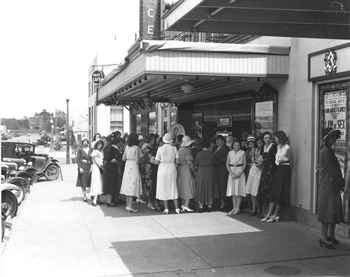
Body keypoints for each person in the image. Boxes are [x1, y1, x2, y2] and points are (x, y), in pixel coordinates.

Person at [318, 129, 344, 249]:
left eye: (335, 138)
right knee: (327, 211)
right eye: (332, 138)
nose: (335, 140)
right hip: (328, 185)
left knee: (332, 211)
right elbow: (332, 170)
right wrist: (341, 182)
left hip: (332, 185)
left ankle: (331, 235)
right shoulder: (326, 152)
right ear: (327, 139)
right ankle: (323, 237)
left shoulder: (329, 151)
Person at [262, 131, 292, 223]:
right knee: (274, 191)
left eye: (276, 137)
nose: (275, 139)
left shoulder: (287, 147)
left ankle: (275, 214)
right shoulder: (278, 147)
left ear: (280, 137)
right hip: (278, 169)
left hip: (285, 168)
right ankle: (269, 214)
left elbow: (291, 160)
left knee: (280, 192)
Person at [154, 133, 180, 214]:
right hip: (172, 168)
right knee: (173, 187)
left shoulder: (160, 149)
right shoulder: (174, 148)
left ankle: (166, 209)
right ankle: (177, 208)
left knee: (164, 187)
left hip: (162, 168)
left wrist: (151, 160)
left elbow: (156, 162)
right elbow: (177, 161)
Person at [120, 134, 143, 212]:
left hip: (127, 165)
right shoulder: (137, 148)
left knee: (127, 184)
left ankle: (128, 205)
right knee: (132, 184)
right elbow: (138, 160)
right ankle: (129, 206)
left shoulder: (126, 147)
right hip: (134, 166)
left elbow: (123, 158)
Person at [258, 132, 277, 219]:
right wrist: (259, 163)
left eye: (269, 137)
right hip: (264, 170)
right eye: (265, 138)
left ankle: (270, 212)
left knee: (270, 191)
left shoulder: (273, 146)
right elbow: (261, 158)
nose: (267, 139)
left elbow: (275, 159)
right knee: (263, 191)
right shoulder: (263, 147)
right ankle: (264, 211)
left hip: (271, 170)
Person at [226, 141, 246, 215]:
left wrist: (239, 173)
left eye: (238, 145)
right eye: (235, 145)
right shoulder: (230, 152)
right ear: (232, 145)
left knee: (239, 190)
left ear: (240, 146)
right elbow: (227, 164)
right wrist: (231, 173)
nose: (236, 146)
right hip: (232, 172)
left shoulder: (242, 152)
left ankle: (238, 208)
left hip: (239, 171)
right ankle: (234, 207)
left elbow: (244, 164)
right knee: (233, 191)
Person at [102, 135, 123, 206]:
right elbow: (115, 159)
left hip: (109, 168)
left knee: (110, 184)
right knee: (112, 184)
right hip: (112, 168)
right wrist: (115, 160)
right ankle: (110, 201)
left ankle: (111, 200)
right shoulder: (113, 148)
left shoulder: (107, 148)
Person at [246, 137, 264, 215]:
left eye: (261, 142)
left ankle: (260, 210)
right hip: (253, 169)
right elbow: (252, 159)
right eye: (258, 142)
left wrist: (259, 164)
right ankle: (254, 209)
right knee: (252, 190)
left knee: (257, 190)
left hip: (260, 170)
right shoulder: (254, 150)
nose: (259, 143)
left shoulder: (265, 150)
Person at [195, 140, 215, 211]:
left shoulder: (199, 154)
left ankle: (201, 205)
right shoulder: (211, 154)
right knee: (209, 187)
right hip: (209, 171)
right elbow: (214, 162)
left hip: (201, 171)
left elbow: (196, 164)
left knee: (201, 187)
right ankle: (209, 205)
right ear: (209, 146)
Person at [177, 136, 195, 212]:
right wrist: (193, 170)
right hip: (186, 169)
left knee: (182, 187)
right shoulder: (187, 151)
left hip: (180, 169)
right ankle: (186, 205)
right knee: (188, 186)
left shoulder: (180, 150)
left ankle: (183, 204)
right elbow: (189, 162)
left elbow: (177, 161)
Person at [213, 135, 229, 210]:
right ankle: (219, 202)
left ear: (223, 141)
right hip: (216, 170)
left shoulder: (226, 148)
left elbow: (225, 159)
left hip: (223, 169)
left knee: (223, 186)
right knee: (218, 186)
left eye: (219, 140)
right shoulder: (215, 148)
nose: (217, 142)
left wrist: (215, 162)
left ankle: (224, 203)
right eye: (216, 140)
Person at [140, 143, 154, 209]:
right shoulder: (149, 156)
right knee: (149, 188)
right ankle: (149, 203)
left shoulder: (143, 156)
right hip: (149, 173)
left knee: (147, 188)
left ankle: (148, 202)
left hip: (145, 173)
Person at [90, 140, 104, 206]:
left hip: (100, 167)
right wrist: (100, 166)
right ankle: (94, 200)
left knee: (100, 183)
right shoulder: (95, 151)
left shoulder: (101, 151)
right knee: (96, 182)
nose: (99, 145)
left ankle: (99, 198)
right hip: (96, 168)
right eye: (98, 144)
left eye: (101, 144)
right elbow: (93, 159)